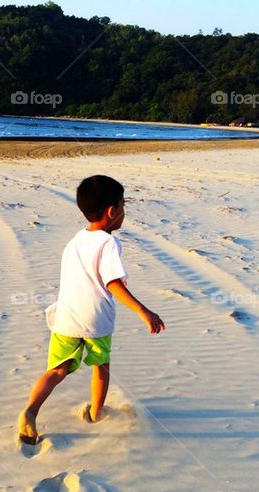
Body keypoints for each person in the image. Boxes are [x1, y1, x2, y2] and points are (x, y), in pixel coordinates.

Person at [17, 175, 165, 445]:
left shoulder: (75, 240)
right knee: (101, 368)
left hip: (66, 317)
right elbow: (113, 283)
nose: (124, 211)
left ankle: (31, 410)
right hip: (96, 319)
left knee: (56, 371)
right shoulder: (109, 244)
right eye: (123, 205)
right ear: (112, 211)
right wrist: (144, 312)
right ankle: (96, 414)